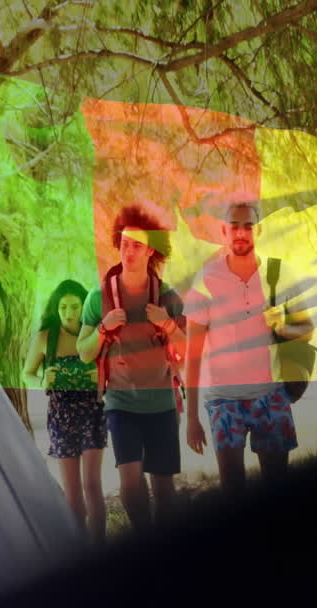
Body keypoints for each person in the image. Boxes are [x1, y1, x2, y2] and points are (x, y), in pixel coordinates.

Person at [184, 201, 314, 493]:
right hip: (223, 401)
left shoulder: (280, 274)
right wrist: (191, 419)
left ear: (260, 230)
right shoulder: (205, 280)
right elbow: (192, 356)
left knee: (277, 483)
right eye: (234, 226)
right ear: (223, 231)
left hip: (271, 396)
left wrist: (282, 327)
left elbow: (307, 329)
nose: (241, 233)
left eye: (248, 226)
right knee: (233, 489)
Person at [77, 205, 186, 533]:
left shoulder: (167, 297)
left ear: (150, 249)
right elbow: (84, 352)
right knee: (129, 484)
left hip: (162, 403)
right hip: (121, 403)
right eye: (124, 243)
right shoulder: (100, 297)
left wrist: (166, 323)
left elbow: (188, 347)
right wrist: (103, 329)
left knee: (164, 490)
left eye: (136, 245)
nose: (128, 251)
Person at [23, 280, 108, 545]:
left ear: (84, 307)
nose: (69, 312)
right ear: (56, 309)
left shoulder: (94, 334)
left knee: (92, 485)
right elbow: (26, 374)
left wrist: (101, 376)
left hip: (93, 414)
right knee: (72, 492)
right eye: (62, 307)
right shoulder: (46, 338)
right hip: (61, 419)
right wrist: (41, 380)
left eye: (74, 306)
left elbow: (117, 367)